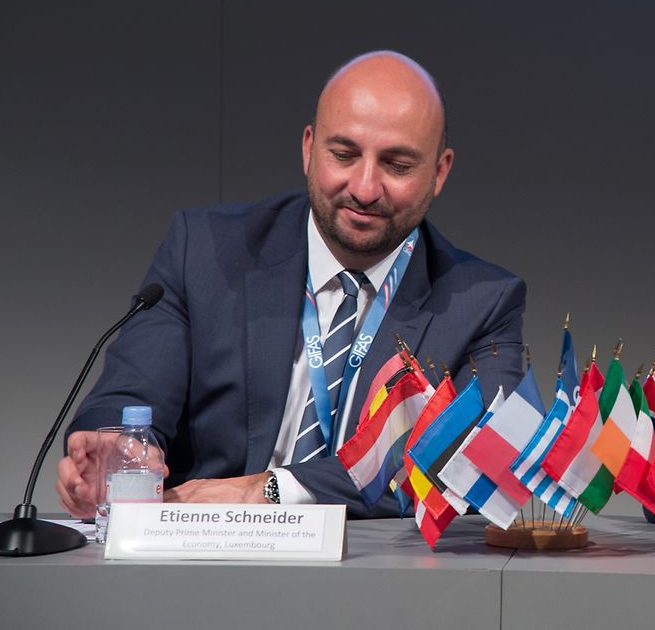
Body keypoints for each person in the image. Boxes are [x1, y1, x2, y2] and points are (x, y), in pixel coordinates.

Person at [55, 51, 525, 518]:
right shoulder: (203, 252)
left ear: (439, 171)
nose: (364, 188)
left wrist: (273, 491)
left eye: (397, 165)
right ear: (308, 147)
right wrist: (115, 452)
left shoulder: (481, 303)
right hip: (201, 562)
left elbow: (474, 464)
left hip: (377, 576)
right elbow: (131, 396)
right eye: (343, 155)